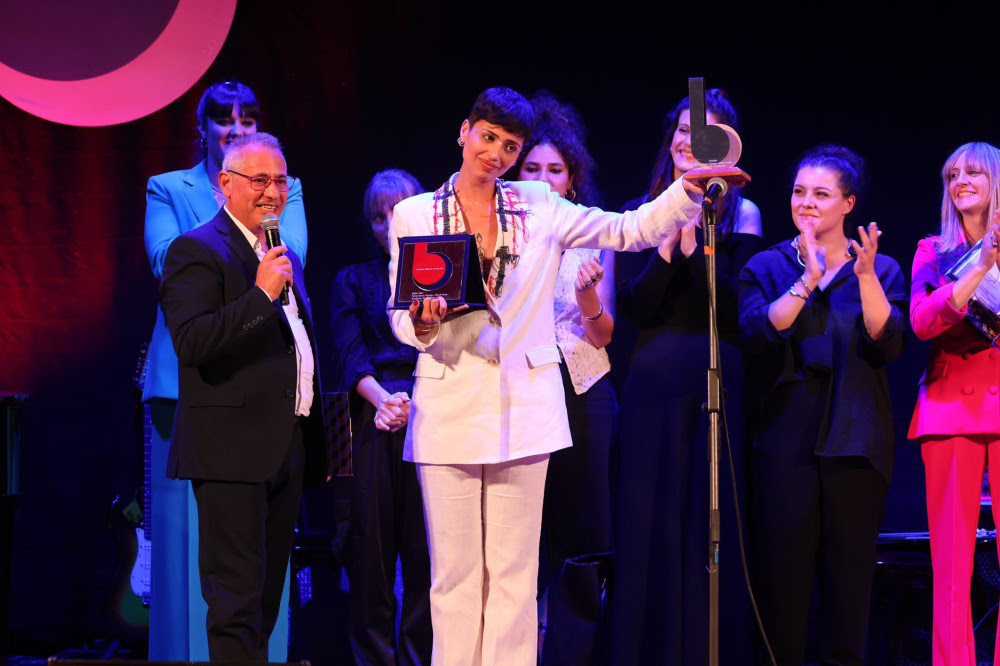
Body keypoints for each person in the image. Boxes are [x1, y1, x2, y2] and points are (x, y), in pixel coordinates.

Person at [386, 86, 705, 666]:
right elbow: (400, 316)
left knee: (515, 576)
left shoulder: (538, 204)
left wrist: (688, 190)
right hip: (449, 409)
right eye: (488, 138)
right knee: (454, 579)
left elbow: (629, 229)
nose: (496, 154)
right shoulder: (416, 214)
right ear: (464, 132)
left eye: (510, 146)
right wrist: (422, 324)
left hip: (526, 412)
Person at [142, 81, 307, 661]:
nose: (272, 192)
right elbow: (192, 339)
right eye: (258, 181)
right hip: (230, 443)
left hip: (281, 440)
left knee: (264, 604)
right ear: (226, 186)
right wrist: (259, 295)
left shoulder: (278, 250)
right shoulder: (196, 246)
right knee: (234, 603)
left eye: (279, 181)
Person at [610, 88, 762, 666]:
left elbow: (736, 308)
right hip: (652, 376)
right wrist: (668, 248)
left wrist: (701, 247)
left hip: (715, 371)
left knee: (709, 513)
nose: (687, 141)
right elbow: (634, 307)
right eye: (680, 129)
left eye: (703, 132)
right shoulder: (641, 210)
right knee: (648, 514)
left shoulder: (743, 212)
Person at [738, 145, 906, 665]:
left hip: (855, 446)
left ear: (848, 203)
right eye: (799, 192)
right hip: (784, 447)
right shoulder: (767, 265)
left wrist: (866, 276)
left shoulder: (880, 269)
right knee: (782, 593)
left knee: (848, 596)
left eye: (821, 194)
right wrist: (808, 277)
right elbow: (758, 332)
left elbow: (886, 344)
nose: (806, 202)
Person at [513, 91, 617, 665]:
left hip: (584, 392)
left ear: (572, 178)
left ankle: (571, 654)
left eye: (554, 169)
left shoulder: (593, 232)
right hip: (523, 392)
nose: (543, 179)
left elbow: (602, 335)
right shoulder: (499, 235)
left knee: (580, 539)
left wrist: (586, 298)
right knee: (523, 536)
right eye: (531, 168)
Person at [331, 169, 432, 665]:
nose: (388, 224)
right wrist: (386, 402)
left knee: (425, 556)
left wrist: (414, 402)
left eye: (397, 211)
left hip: (431, 412)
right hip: (372, 418)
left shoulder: (443, 276)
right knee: (369, 557)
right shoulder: (352, 279)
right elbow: (350, 356)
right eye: (378, 216)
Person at [909, 141, 1000, 666]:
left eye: (973, 172)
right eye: (952, 174)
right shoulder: (932, 250)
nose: (960, 180)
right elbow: (923, 322)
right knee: (951, 566)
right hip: (949, 410)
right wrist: (980, 268)